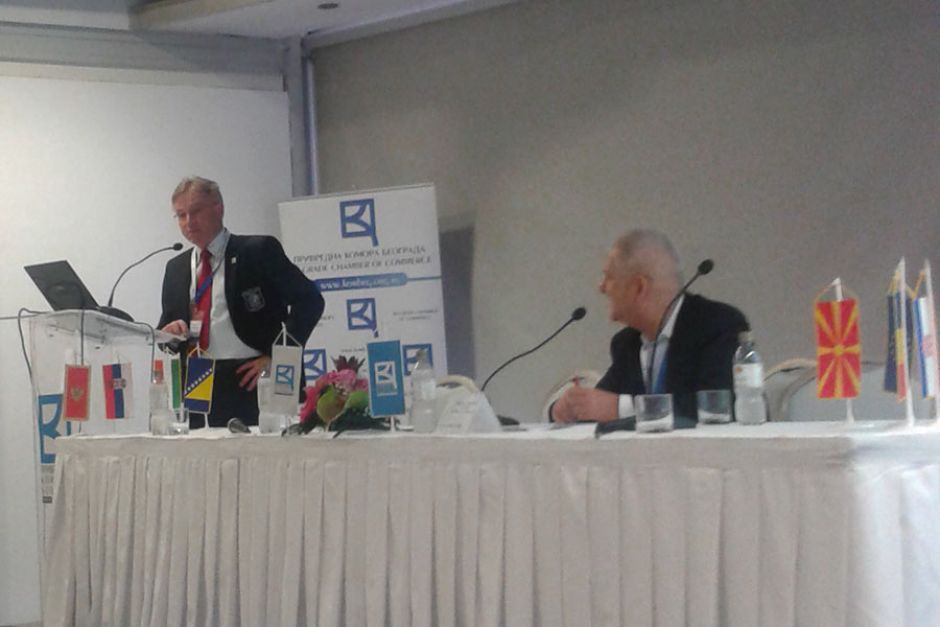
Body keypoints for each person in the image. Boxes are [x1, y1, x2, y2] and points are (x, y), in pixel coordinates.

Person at [158, 176, 325, 427]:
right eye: (181, 215)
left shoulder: (257, 251)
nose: (189, 222)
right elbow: (166, 331)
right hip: (198, 376)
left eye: (196, 211)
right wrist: (170, 334)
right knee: (200, 448)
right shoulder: (176, 268)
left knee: (264, 448)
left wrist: (277, 357)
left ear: (218, 208)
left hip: (254, 374)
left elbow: (310, 301)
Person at [551, 229, 748, 427]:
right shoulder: (625, 344)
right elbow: (600, 404)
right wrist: (566, 408)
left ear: (639, 287)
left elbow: (717, 408)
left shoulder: (719, 325)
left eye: (608, 277)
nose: (601, 288)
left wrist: (620, 408)